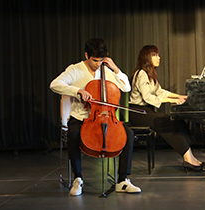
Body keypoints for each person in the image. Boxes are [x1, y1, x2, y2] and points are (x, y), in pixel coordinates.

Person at [50, 38, 141, 196]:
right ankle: (78, 178)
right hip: (81, 117)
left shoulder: (106, 71)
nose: (98, 64)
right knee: (73, 134)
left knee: (129, 134)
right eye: (94, 60)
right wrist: (77, 90)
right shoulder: (75, 69)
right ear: (86, 55)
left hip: (106, 118)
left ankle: (122, 180)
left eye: (101, 60)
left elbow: (126, 87)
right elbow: (55, 84)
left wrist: (116, 69)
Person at [129, 45, 205, 171]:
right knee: (168, 121)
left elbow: (160, 92)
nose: (159, 58)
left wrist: (179, 96)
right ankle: (188, 159)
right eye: (155, 55)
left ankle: (190, 157)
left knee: (177, 119)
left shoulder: (150, 74)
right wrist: (171, 100)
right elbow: (148, 98)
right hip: (138, 113)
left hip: (146, 112)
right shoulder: (141, 74)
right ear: (147, 57)